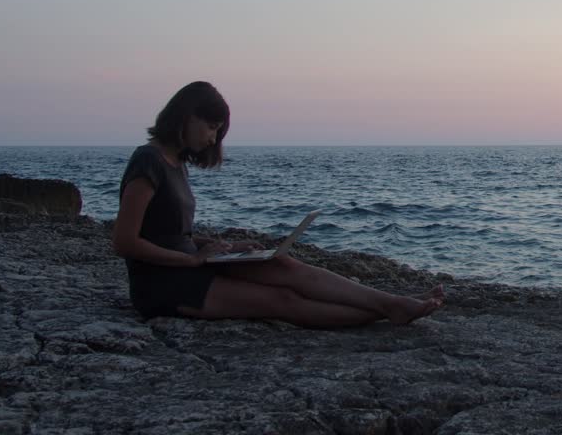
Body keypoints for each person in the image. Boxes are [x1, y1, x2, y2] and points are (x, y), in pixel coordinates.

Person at [112, 81, 443, 327]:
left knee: (283, 266)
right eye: (212, 128)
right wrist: (193, 261)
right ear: (186, 116)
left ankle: (389, 304)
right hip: (160, 285)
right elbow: (125, 242)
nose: (213, 139)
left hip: (188, 264)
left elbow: (168, 232)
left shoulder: (176, 163)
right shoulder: (148, 161)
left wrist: (217, 246)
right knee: (280, 300)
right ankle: (386, 312)